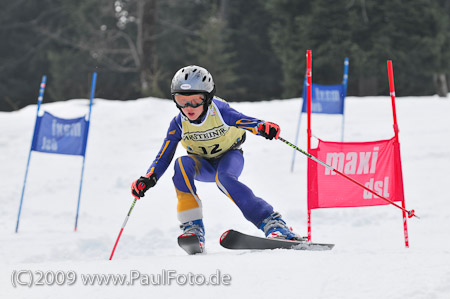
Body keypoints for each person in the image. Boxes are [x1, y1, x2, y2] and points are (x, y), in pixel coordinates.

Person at [131, 65, 302, 252]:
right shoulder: (178, 123)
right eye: (181, 101)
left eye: (195, 101)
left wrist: (262, 127)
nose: (188, 108)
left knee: (224, 179)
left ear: (208, 98)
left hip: (230, 157)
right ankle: (193, 227)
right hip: (202, 164)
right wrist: (149, 178)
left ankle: (274, 224)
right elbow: (164, 156)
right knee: (181, 164)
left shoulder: (220, 111)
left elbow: (245, 121)